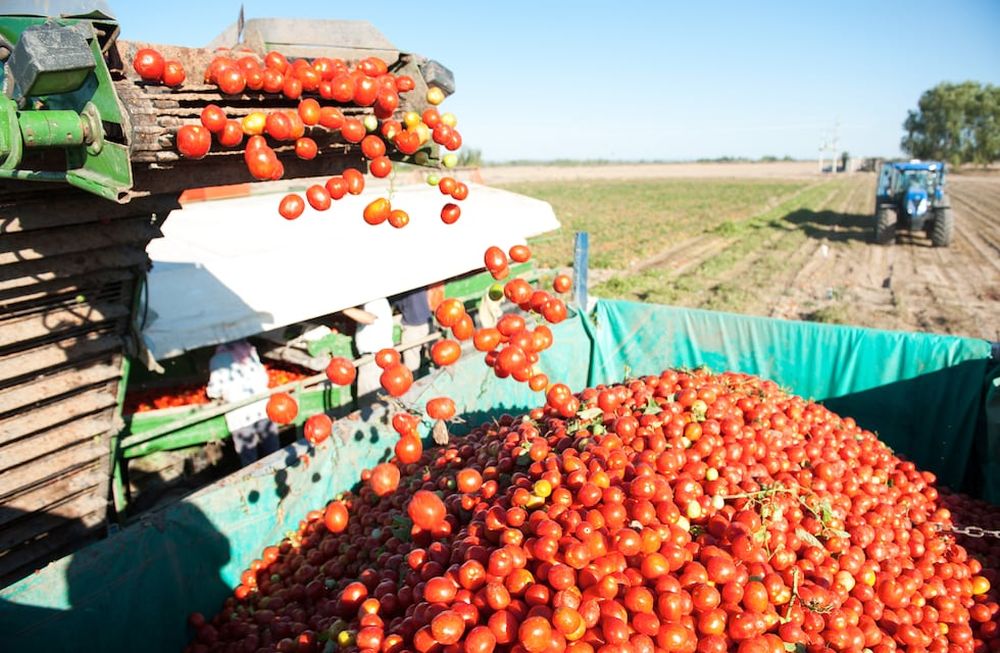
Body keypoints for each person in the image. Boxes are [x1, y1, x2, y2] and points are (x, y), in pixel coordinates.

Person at [206, 339, 278, 467]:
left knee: (249, 457)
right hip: (263, 408)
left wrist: (212, 393)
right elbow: (264, 378)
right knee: (273, 450)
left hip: (240, 415)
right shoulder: (249, 351)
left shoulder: (217, 360)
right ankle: (278, 470)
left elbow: (215, 390)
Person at [348, 298, 393, 398]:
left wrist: (343, 309)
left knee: (369, 398)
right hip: (377, 356)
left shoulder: (374, 301)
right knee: (378, 396)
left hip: (374, 358)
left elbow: (369, 318)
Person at [392, 287, 432, 372]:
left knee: (411, 366)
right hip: (428, 321)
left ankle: (414, 383)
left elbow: (393, 304)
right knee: (437, 354)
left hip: (412, 326)